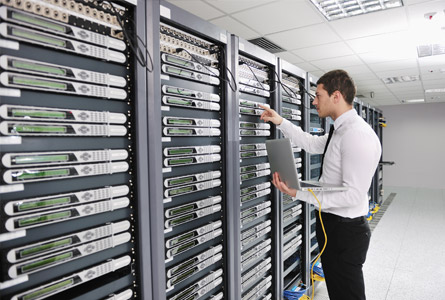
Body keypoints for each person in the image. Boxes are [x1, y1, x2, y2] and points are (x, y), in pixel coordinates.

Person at [259, 69, 381, 300]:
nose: (314, 101)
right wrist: (281, 121)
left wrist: (298, 193)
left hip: (346, 231)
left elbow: (352, 196)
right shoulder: (341, 130)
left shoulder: (357, 135)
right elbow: (312, 143)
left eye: (318, 95)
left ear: (336, 96)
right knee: (338, 291)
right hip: (332, 225)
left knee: (348, 295)